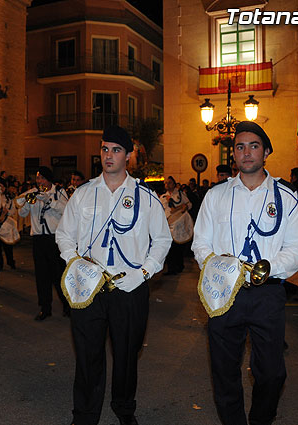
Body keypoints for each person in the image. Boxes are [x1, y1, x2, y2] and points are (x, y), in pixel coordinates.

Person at [192, 122, 298, 425]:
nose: (246, 152)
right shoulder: (216, 195)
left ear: (266, 151)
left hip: (267, 292)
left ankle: (260, 420)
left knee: (272, 373)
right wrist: (219, 267)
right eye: (240, 147)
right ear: (234, 154)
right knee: (224, 369)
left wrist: (269, 267)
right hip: (223, 291)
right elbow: (200, 243)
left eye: (254, 145)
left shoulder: (286, 196)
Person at [56, 125, 172, 425]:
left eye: (116, 150)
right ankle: (85, 414)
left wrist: (143, 273)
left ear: (129, 156)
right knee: (87, 354)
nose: (109, 155)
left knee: (126, 355)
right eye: (105, 149)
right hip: (89, 287)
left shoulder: (145, 197)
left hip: (129, 286)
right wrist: (75, 263)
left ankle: (124, 408)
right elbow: (64, 235)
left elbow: (162, 240)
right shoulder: (83, 194)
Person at [16, 166, 70, 320]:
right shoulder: (33, 192)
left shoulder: (59, 192)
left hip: (54, 238)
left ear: (48, 179)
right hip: (38, 238)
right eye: (37, 178)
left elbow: (66, 210)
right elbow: (21, 213)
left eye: (42, 178)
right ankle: (45, 307)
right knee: (41, 276)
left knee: (58, 274)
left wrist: (50, 201)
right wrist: (27, 202)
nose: (39, 181)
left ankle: (67, 305)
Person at [160, 176, 192, 275]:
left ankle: (179, 266)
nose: (167, 185)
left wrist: (184, 207)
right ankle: (171, 268)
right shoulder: (163, 197)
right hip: (167, 224)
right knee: (169, 247)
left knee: (178, 247)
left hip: (178, 224)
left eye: (169, 183)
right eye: (166, 183)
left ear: (174, 184)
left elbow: (189, 204)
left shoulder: (180, 195)